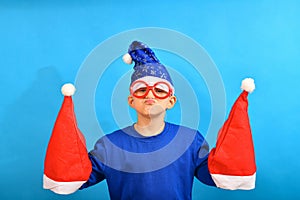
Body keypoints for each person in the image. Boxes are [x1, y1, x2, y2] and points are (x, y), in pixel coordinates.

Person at [43, 40, 256, 199]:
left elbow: (214, 174)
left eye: (160, 90)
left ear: (171, 101)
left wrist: (234, 153)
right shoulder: (110, 145)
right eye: (141, 89)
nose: (150, 95)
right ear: (131, 100)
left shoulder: (189, 140)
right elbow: (76, 175)